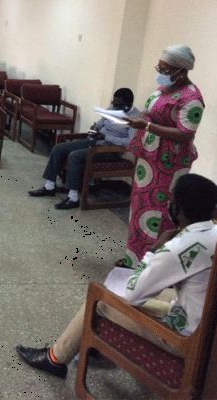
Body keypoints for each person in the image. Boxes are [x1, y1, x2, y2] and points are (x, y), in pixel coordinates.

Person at [16, 173, 217, 379]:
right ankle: (95, 341)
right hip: (206, 327)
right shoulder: (214, 233)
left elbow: (133, 294)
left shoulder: (178, 247)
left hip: (186, 336)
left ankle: (55, 359)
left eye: (171, 199)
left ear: (179, 206)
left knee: (100, 299)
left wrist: (153, 252)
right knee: (143, 290)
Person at [116, 45, 204, 268]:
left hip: (169, 163)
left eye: (165, 69)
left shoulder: (191, 97)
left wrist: (146, 125)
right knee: (139, 209)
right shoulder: (163, 89)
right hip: (149, 159)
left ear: (180, 70)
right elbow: (152, 114)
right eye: (160, 67)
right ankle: (133, 258)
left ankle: (151, 266)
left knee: (158, 214)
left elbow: (185, 133)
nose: (160, 72)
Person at [28, 88, 139, 210]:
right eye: (114, 102)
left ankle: (73, 197)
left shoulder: (135, 118)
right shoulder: (112, 109)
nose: (114, 106)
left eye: (118, 104)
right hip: (95, 141)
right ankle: (49, 187)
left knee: (75, 156)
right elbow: (100, 123)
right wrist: (95, 128)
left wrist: (106, 136)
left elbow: (130, 142)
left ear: (128, 105)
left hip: (111, 150)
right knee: (59, 148)